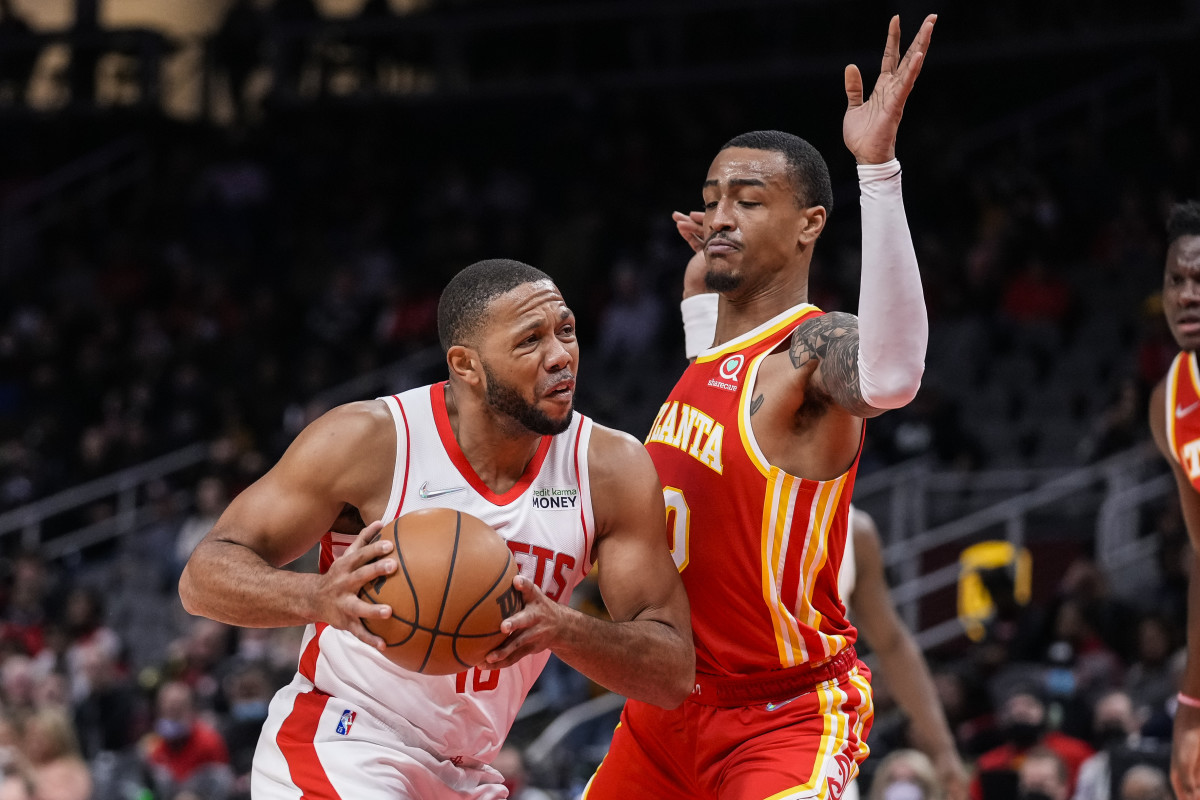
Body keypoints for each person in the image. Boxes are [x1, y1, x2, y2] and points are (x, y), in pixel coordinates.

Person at [178, 258, 694, 799]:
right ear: (466, 365)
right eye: (530, 341)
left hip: (467, 772)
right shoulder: (371, 441)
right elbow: (203, 577)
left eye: (566, 330)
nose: (561, 356)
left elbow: (672, 673)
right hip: (343, 742)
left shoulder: (610, 468)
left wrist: (563, 628)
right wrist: (318, 595)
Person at [584, 14, 936, 800]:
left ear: (810, 223)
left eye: (748, 200)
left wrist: (875, 170)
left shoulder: (812, 352)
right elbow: (707, 338)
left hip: (784, 714)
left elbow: (893, 375)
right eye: (711, 200)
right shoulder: (708, 345)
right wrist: (709, 264)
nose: (719, 215)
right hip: (666, 706)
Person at [842, 509, 969, 800]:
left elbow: (892, 643)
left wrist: (942, 747)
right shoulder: (723, 497)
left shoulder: (854, 530)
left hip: (813, 728)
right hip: (726, 714)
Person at [1147, 199, 1200, 800]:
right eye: (1176, 281)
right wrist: (1190, 703)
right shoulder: (1170, 401)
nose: (1187, 295)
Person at [970, 686, 1094, 800]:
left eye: (1029, 705)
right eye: (1011, 708)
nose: (1019, 712)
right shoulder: (989, 764)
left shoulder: (1077, 752)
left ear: (1045, 711)